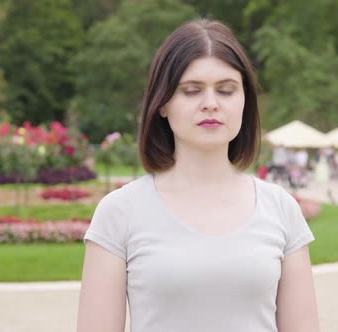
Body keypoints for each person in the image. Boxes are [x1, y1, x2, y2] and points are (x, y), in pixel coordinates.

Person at [77, 19, 320, 332]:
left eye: (226, 90)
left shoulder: (281, 209)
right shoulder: (119, 213)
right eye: (191, 91)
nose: (210, 104)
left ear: (245, 100)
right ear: (162, 103)